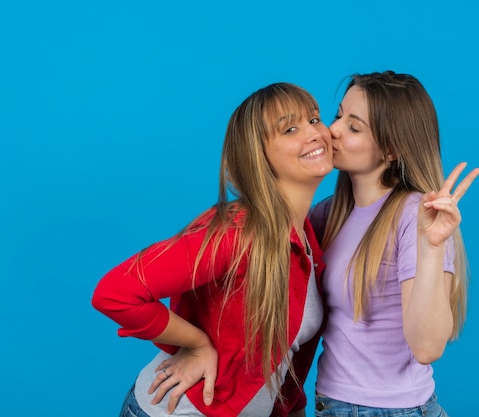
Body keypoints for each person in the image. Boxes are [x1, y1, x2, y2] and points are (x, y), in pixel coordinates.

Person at [92, 82, 334, 417]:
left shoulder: (307, 237)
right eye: (291, 128)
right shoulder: (238, 232)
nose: (314, 133)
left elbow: (281, 360)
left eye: (315, 119)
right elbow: (116, 292)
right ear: (258, 155)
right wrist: (196, 344)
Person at [308, 70, 479, 417]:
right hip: (333, 404)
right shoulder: (327, 215)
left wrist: (432, 248)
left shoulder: (414, 215)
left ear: (391, 149)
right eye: (339, 115)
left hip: (391, 410)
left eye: (354, 127)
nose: (333, 130)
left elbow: (427, 347)